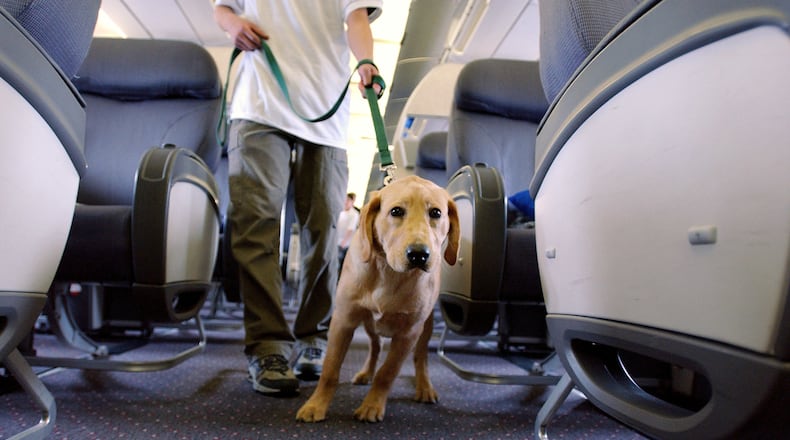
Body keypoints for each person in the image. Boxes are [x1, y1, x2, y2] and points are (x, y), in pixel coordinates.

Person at [213, 0, 384, 395]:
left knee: (322, 230)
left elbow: (356, 17)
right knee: (255, 226)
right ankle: (267, 346)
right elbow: (222, 8)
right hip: (258, 104)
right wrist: (232, 24)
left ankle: (314, 339)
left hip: (325, 110)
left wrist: (366, 61)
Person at [336, 192, 360, 273]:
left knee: (338, 263)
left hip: (344, 244)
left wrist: (344, 241)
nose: (345, 202)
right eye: (345, 199)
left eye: (348, 200)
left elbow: (351, 229)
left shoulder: (354, 214)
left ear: (352, 202)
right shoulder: (341, 211)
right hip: (336, 241)